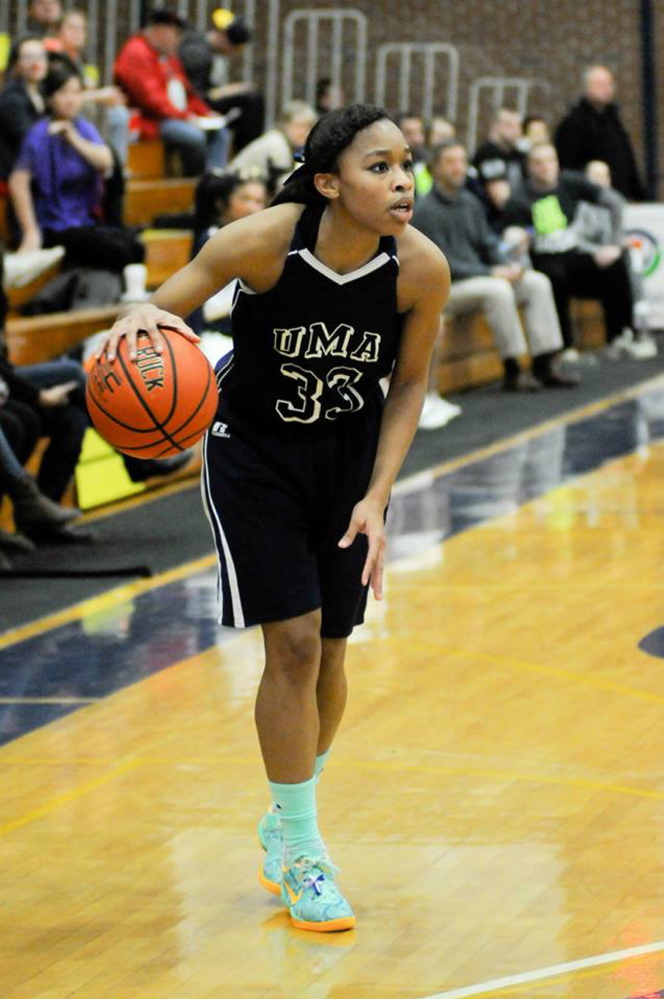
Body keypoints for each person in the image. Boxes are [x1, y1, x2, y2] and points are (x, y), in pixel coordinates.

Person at [97, 104, 449, 931]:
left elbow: (407, 385)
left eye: (406, 164)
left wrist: (376, 495)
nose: (401, 181)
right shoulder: (261, 241)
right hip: (255, 454)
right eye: (378, 166)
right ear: (328, 182)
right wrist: (140, 320)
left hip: (351, 467)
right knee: (291, 642)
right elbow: (157, 310)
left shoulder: (418, 268)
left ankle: (284, 817)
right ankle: (301, 848)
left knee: (330, 650)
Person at [413, 140, 575, 393]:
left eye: (461, 161)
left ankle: (545, 363)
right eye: (450, 162)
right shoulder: (424, 210)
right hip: (448, 289)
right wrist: (491, 272)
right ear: (435, 169)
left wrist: (506, 264)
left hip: (480, 278)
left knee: (536, 282)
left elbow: (488, 242)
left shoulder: (470, 202)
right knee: (497, 289)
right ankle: (513, 369)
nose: (458, 167)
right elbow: (441, 263)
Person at [503, 143, 651, 358]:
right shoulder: (519, 198)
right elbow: (512, 239)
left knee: (615, 264)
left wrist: (614, 243)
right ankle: (564, 345)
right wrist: (520, 241)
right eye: (539, 163)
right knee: (553, 275)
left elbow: (614, 201)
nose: (545, 167)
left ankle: (620, 336)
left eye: (550, 161)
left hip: (575, 252)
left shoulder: (569, 182)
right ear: (530, 167)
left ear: (557, 163)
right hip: (542, 257)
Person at [9, 62, 145, 277]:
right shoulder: (39, 133)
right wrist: (30, 231)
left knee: (136, 247)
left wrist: (73, 139)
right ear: (51, 98)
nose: (71, 99)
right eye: (63, 93)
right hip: (55, 225)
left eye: (76, 92)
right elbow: (18, 181)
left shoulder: (83, 128)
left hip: (85, 220)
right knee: (120, 253)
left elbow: (106, 161)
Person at [113, 9, 229, 177]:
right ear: (162, 31)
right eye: (176, 34)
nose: (179, 40)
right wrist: (185, 117)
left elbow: (188, 92)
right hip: (149, 121)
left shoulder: (168, 57)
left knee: (220, 132)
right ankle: (195, 184)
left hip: (176, 116)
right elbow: (150, 99)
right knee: (194, 137)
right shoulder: (136, 51)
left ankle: (217, 179)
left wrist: (205, 113)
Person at [43, 9, 131, 166]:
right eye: (72, 28)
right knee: (115, 115)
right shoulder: (53, 55)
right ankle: (112, 166)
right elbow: (58, 96)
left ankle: (115, 165)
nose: (78, 33)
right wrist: (99, 96)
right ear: (57, 31)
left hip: (78, 109)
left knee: (118, 111)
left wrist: (105, 95)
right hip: (56, 113)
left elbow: (84, 89)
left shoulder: (76, 59)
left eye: (82, 29)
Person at [554, 65, 647, 201]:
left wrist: (638, 194)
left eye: (609, 84)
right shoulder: (574, 123)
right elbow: (568, 166)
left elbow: (627, 160)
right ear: (586, 87)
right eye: (600, 84)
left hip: (621, 194)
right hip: (591, 197)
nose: (606, 89)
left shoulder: (613, 119)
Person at [179, 8, 264, 155]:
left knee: (249, 100)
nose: (232, 54)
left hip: (200, 99)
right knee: (252, 100)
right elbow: (198, 94)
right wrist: (232, 90)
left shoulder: (203, 49)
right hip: (193, 104)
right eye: (233, 49)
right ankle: (246, 153)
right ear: (224, 40)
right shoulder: (197, 54)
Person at [227, 101, 318, 190]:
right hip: (234, 188)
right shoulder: (277, 143)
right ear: (285, 125)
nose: (305, 132)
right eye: (300, 126)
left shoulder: (279, 139)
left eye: (309, 127)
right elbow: (282, 184)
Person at [0, 36, 48, 185]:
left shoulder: (44, 93)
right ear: (16, 64)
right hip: (15, 176)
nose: (36, 63)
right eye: (28, 57)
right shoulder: (11, 98)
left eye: (40, 56)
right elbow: (30, 140)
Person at [472, 107, 526, 189]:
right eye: (509, 125)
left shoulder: (518, 154)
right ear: (495, 126)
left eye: (519, 126)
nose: (517, 131)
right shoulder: (488, 153)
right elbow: (499, 195)